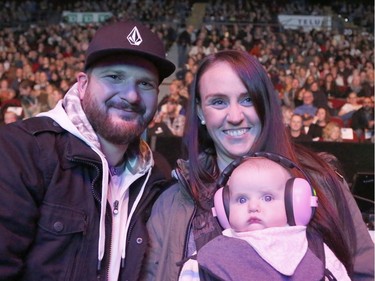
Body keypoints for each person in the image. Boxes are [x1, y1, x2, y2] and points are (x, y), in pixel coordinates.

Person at [142, 50, 374, 281]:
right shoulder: (171, 204)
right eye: (219, 101)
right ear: (201, 111)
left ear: (265, 104)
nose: (234, 116)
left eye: (247, 99)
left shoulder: (323, 182)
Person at [0, 20, 176, 280]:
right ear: (82, 85)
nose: (131, 95)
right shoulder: (21, 151)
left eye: (146, 84)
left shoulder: (157, 174)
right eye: (115, 77)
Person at [179, 154, 350, 280]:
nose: (253, 207)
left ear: (295, 203)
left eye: (267, 198)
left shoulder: (314, 250)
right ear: (224, 208)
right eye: (242, 199)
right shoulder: (208, 257)